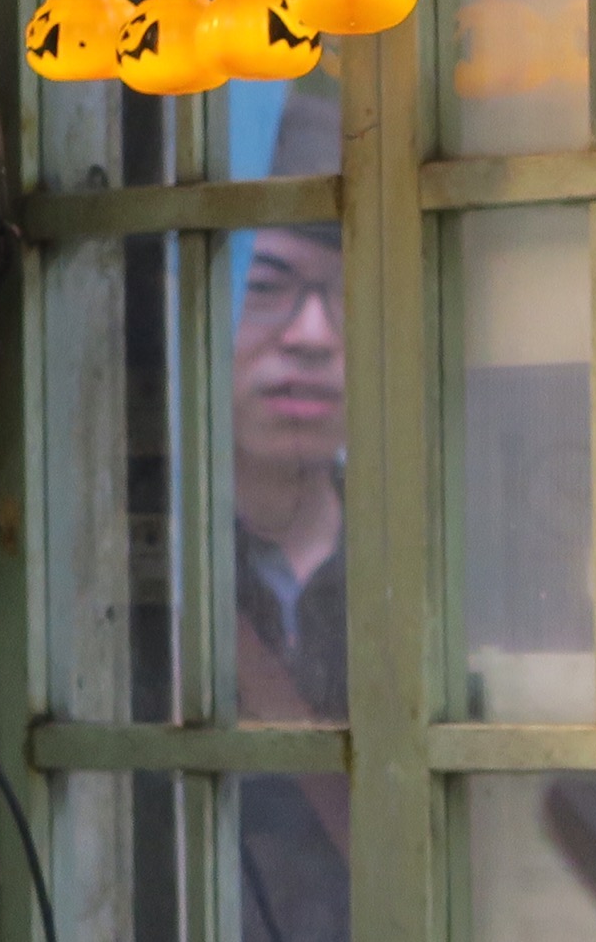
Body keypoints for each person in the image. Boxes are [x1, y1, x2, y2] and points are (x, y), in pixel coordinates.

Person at [233, 89, 351, 942]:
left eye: (345, 293)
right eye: (268, 286)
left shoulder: (426, 563)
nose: (313, 334)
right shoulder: (134, 575)